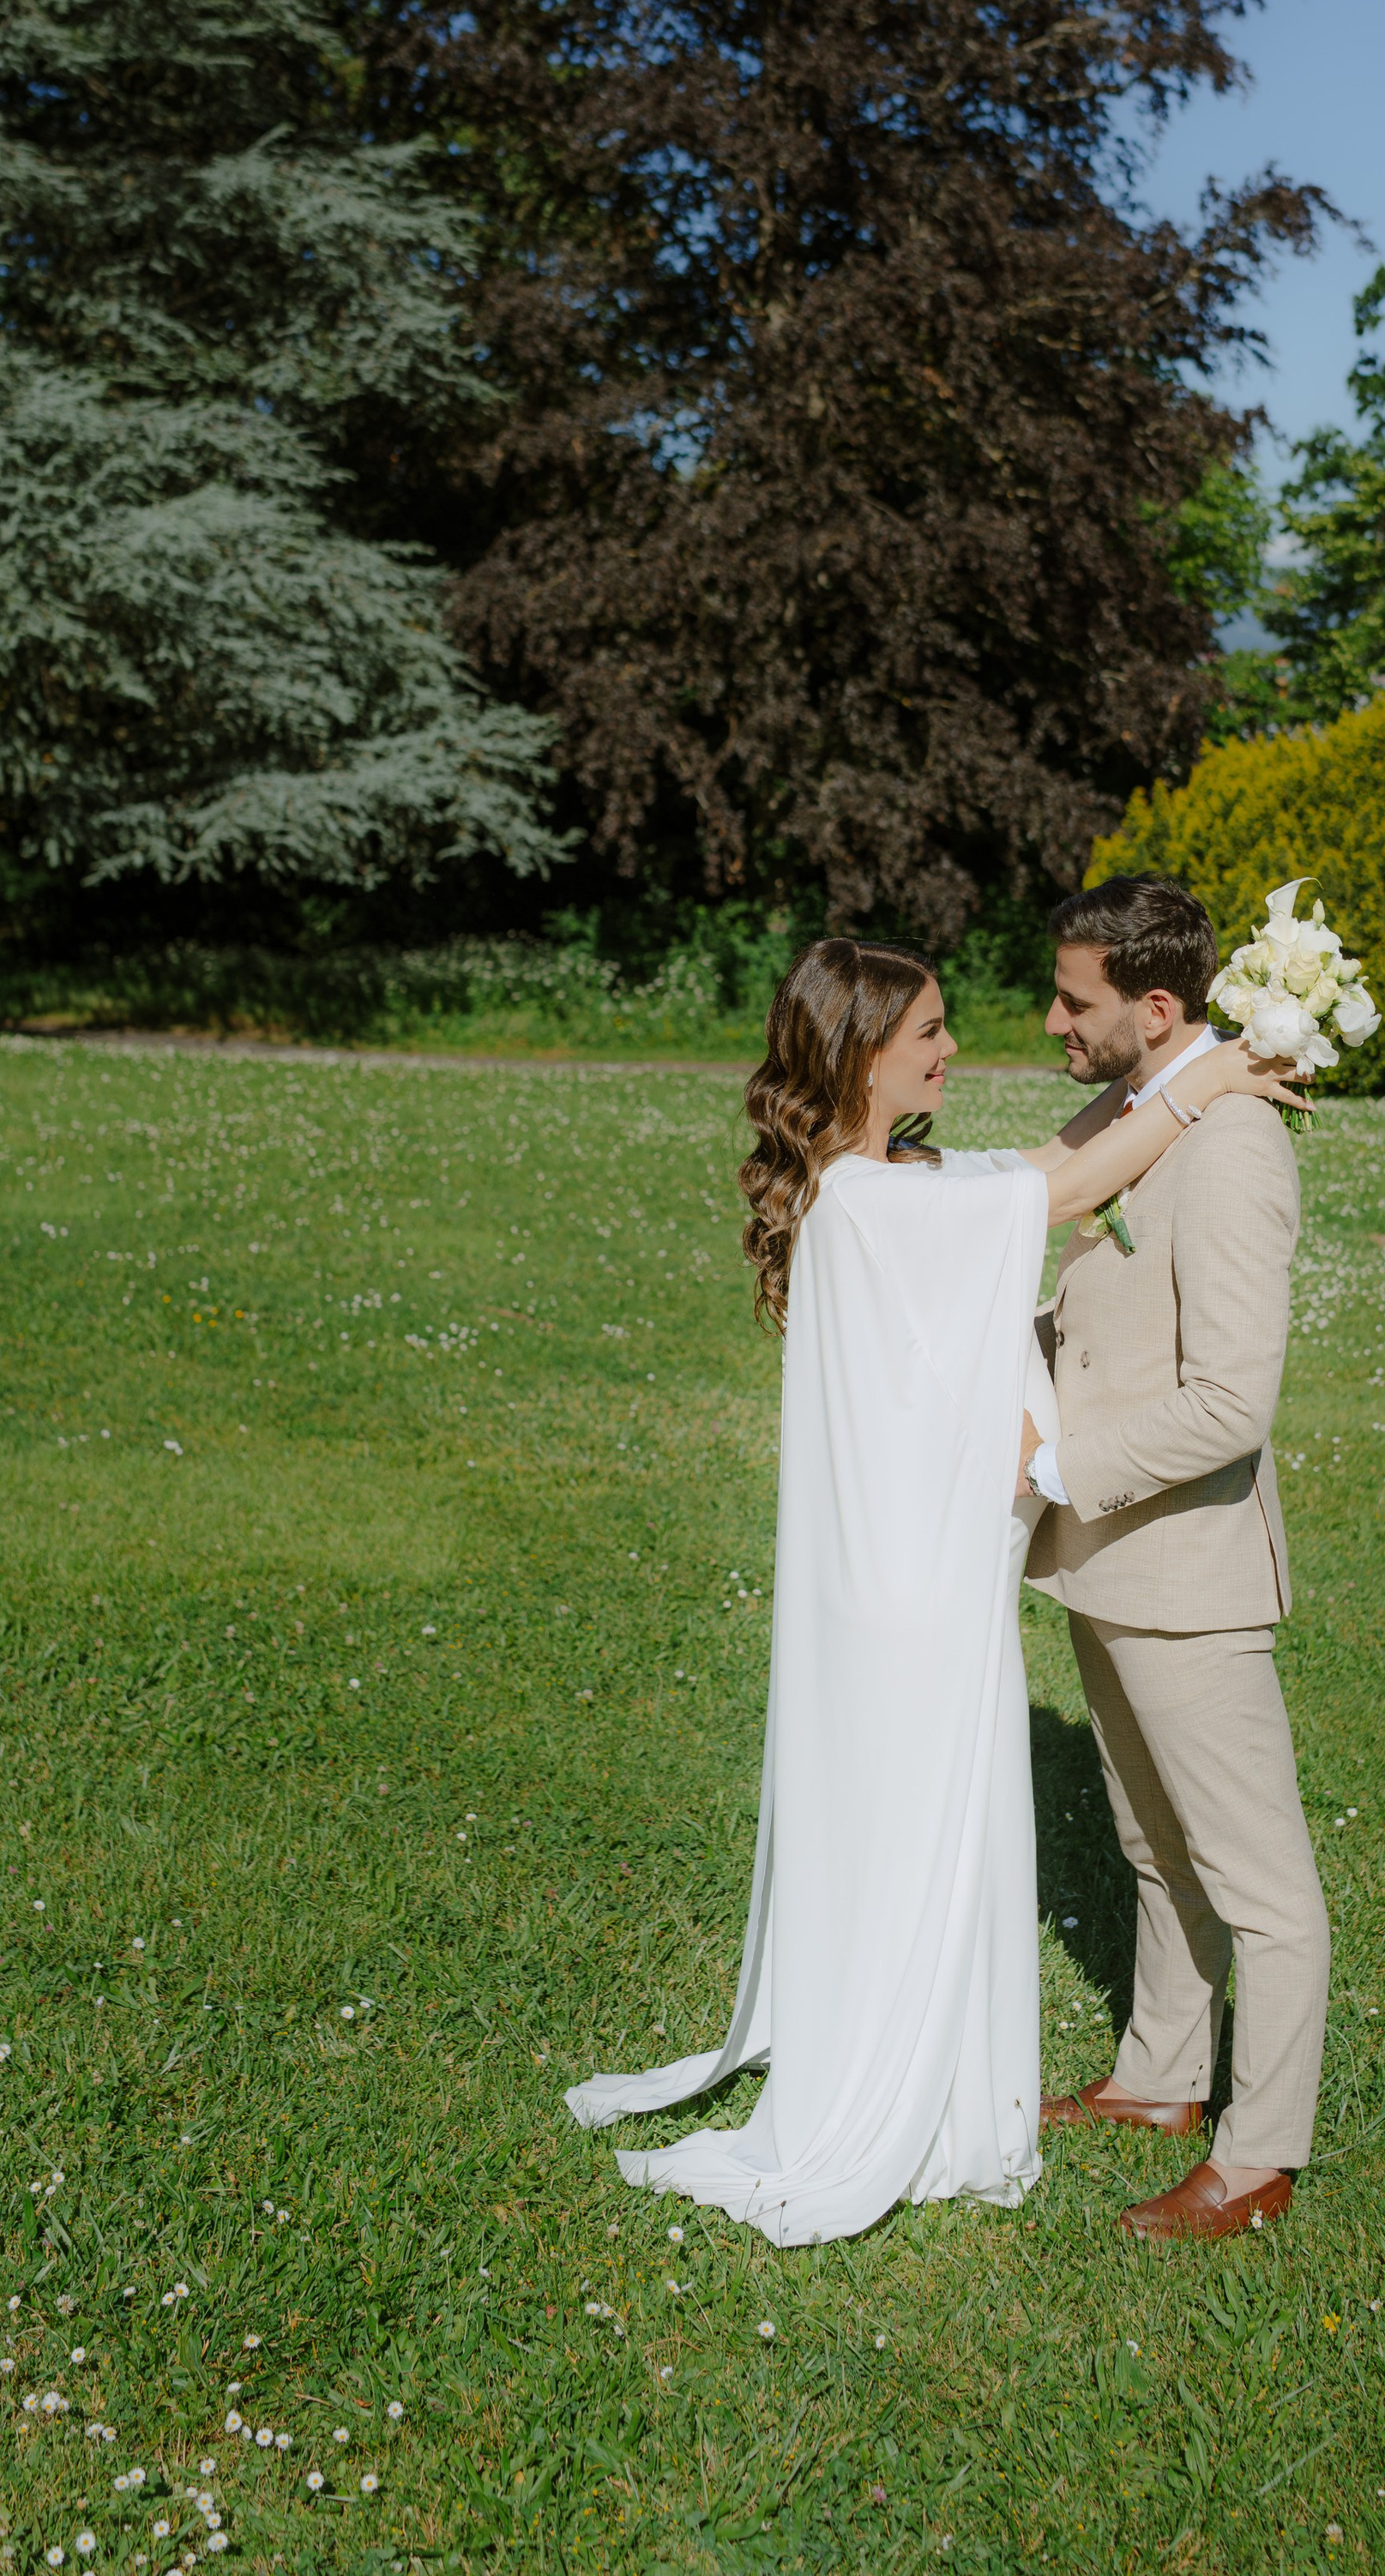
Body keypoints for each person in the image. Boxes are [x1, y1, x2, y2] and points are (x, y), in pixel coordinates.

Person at [563, 932, 1299, 2247]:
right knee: (921, 1839)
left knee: (928, 1833)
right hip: (919, 1593)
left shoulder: (896, 1180)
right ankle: (910, 2083)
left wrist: (1182, 1073)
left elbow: (1050, 1163)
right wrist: (1219, 1073)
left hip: (925, 1578)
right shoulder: (876, 1202)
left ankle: (975, 2066)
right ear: (864, 1058)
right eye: (930, 1035)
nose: (957, 1049)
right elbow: (1075, 1188)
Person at [1022, 872, 1329, 2242]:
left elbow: (1228, 1406)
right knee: (1152, 1845)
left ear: (1155, 1007)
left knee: (1259, 1883)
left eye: (1071, 1001)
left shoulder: (1237, 1147)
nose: (1051, 1024)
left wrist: (1051, 1470)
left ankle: (1257, 2158)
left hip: (1187, 1569)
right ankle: (1157, 2080)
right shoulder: (1146, 1111)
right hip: (1110, 1561)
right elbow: (1069, 1232)